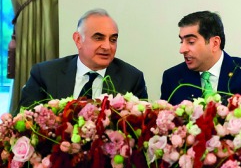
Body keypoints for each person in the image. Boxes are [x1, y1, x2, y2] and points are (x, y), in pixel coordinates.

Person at [18, 9, 147, 109]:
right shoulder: (45, 74)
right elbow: (25, 122)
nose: (107, 46)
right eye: (99, 38)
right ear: (78, 40)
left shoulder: (132, 79)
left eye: (113, 40)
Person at [160, 10, 241, 103]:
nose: (182, 50)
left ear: (215, 43)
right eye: (181, 41)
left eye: (191, 42)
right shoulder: (172, 77)